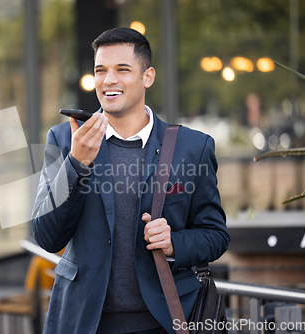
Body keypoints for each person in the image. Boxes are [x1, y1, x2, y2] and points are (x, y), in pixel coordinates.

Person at [31, 27, 229, 334]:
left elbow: (215, 235)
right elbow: (46, 236)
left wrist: (175, 242)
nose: (109, 80)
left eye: (122, 70)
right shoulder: (65, 138)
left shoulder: (193, 147)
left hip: (166, 320)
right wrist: (76, 162)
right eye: (101, 71)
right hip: (85, 320)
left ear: (147, 76)